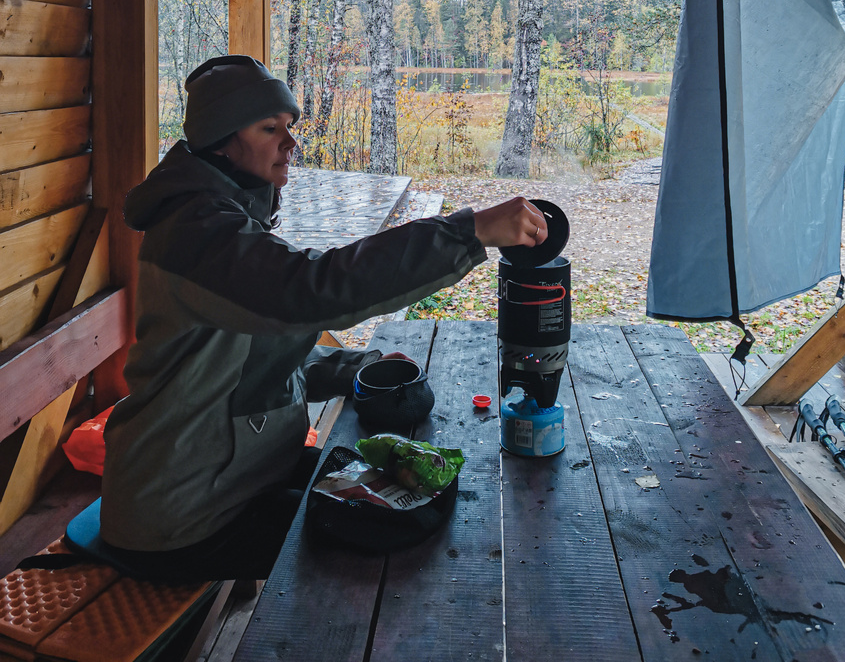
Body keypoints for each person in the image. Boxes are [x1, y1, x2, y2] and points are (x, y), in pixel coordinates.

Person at [100, 54, 547, 579]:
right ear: (221, 141)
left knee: (413, 497)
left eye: (289, 127)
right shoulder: (197, 231)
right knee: (389, 554)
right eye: (270, 128)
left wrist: (357, 368)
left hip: (238, 480)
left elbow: (253, 359)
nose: (290, 142)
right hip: (181, 515)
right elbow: (310, 290)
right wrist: (466, 232)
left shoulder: (226, 219)